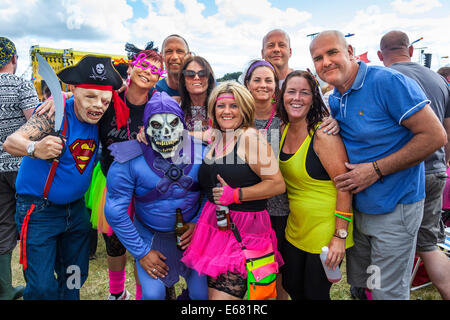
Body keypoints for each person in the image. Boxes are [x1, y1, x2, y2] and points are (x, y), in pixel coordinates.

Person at [309, 30, 447, 300]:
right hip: (361, 213)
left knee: (388, 292)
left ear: (349, 51)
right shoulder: (336, 97)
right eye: (318, 58)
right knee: (365, 285)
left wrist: (375, 170)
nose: (325, 62)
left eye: (332, 52)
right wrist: (337, 124)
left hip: (396, 207)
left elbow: (435, 136)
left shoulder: (388, 81)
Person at [3, 55, 123, 299]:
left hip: (76, 212)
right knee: (42, 287)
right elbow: (11, 142)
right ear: (73, 90)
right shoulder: (52, 114)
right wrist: (34, 149)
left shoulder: (102, 116)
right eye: (90, 96)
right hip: (39, 212)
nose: (98, 105)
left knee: (74, 279)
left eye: (104, 99)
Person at [181, 81, 286, 300]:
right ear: (213, 110)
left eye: (234, 106)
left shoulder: (251, 138)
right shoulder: (218, 137)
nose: (227, 111)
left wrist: (237, 194)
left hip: (245, 229)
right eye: (221, 106)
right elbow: (185, 134)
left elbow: (277, 184)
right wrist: (147, 135)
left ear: (245, 108)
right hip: (215, 226)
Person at [104, 91, 208, 300]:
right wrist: (141, 252)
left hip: (192, 237)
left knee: (201, 295)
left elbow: (212, 194)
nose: (166, 132)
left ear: (183, 125)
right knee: (153, 295)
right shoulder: (128, 159)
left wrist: (198, 223)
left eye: (172, 124)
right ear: (146, 128)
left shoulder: (203, 153)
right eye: (157, 126)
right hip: (150, 236)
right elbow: (115, 211)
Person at [377, 30, 450, 300]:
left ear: (379, 55)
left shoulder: (386, 78)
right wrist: (443, 164)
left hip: (403, 174)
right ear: (409, 50)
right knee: (429, 245)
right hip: (436, 171)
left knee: (393, 246)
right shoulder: (440, 80)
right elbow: (447, 132)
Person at [89, 48, 163, 300]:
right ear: (131, 67)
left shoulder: (158, 105)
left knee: (144, 243)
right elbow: (81, 101)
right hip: (112, 182)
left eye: (155, 70)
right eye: (144, 65)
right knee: (115, 243)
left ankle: (143, 294)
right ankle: (117, 293)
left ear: (158, 78)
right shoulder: (108, 100)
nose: (148, 72)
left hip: (147, 186)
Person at [277, 70, 353, 300]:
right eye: (291, 91)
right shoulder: (283, 128)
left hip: (326, 228)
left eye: (304, 93)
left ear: (314, 98)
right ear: (282, 96)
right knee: (291, 285)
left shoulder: (323, 134)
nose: (297, 98)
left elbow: (344, 186)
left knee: (315, 294)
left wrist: (339, 236)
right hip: (296, 226)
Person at [0, 37, 38, 300]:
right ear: (14, 59)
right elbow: (36, 123)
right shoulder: (21, 84)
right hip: (22, 165)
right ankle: (35, 286)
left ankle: (4, 290)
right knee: (31, 224)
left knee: (2, 226)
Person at [179, 55, 216, 131]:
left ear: (209, 79)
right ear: (184, 80)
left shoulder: (221, 105)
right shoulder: (176, 106)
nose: (196, 77)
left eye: (202, 73)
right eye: (190, 73)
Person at [156, 34, 190, 102]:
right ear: (161, 56)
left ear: (189, 56)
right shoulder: (155, 90)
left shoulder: (202, 88)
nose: (174, 57)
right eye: (169, 51)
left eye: (180, 51)